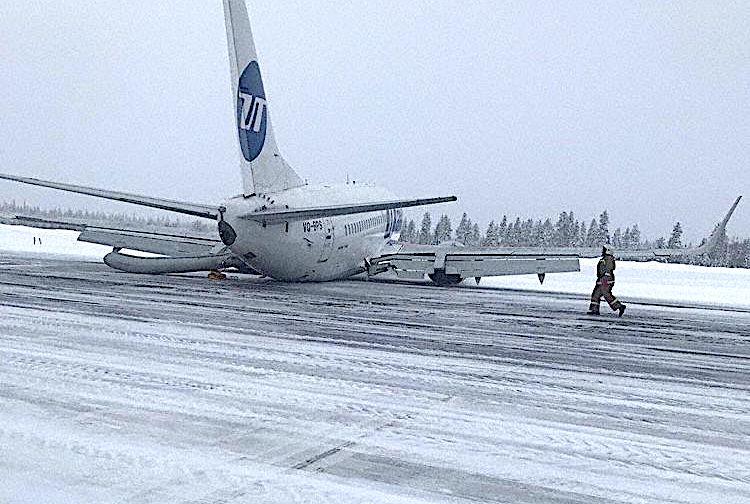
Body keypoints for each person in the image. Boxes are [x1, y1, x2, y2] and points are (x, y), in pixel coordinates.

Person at [587, 245, 626, 317]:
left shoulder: (608, 259)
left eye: (604, 250)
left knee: (606, 294)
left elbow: (607, 270)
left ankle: (619, 306)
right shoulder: (605, 258)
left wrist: (603, 281)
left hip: (605, 280)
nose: (602, 251)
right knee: (596, 294)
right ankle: (594, 310)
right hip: (602, 279)